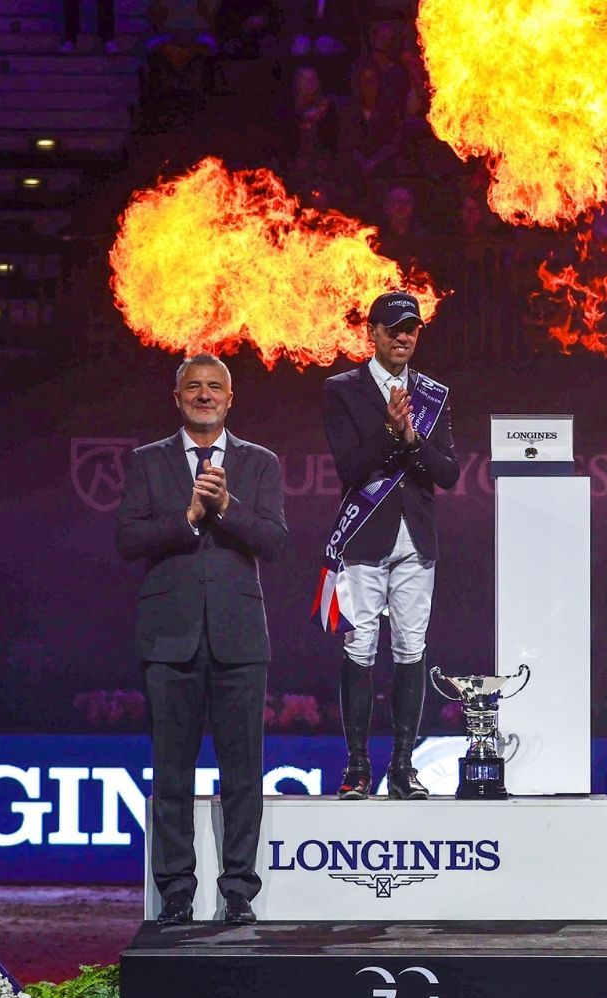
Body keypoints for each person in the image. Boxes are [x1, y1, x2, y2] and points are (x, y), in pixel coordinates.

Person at [116, 355, 288, 925]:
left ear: (231, 398)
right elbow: (128, 540)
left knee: (243, 774)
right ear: (177, 396)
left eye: (216, 387)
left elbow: (274, 541)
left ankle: (239, 891)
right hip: (169, 641)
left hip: (240, 641)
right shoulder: (147, 462)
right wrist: (189, 516)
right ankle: (175, 895)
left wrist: (225, 508)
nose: (205, 395)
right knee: (171, 775)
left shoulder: (260, 463)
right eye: (194, 387)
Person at [319, 292, 460, 800]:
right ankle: (357, 767)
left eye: (412, 329)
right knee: (359, 645)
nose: (404, 337)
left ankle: (402, 767)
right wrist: (391, 430)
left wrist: (413, 438)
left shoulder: (434, 394)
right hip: (364, 539)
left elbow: (448, 473)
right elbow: (351, 468)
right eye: (394, 328)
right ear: (372, 332)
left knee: (411, 647)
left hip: (416, 541)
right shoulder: (342, 390)